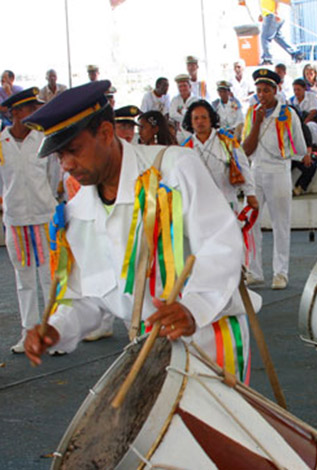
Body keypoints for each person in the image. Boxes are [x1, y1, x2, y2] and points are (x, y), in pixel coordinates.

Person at [23, 80, 258, 386]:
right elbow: (90, 296)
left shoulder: (173, 170)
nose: (67, 165)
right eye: (59, 157)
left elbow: (221, 244)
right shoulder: (78, 212)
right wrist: (57, 328)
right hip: (149, 347)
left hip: (209, 335)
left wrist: (192, 307)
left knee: (220, 431)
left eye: (74, 150)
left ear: (106, 133)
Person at [0, 88, 58, 353]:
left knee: (49, 276)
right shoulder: (2, 144)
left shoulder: (44, 140)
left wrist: (47, 203)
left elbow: (53, 178)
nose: (36, 113)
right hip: (16, 219)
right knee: (24, 280)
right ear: (15, 113)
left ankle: (54, 331)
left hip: (44, 217)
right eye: (30, 109)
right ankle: (29, 333)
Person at [242, 68, 305, 289]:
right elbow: (245, 150)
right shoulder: (251, 113)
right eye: (258, 90)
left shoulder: (288, 113)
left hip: (278, 169)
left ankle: (281, 272)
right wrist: (257, 122)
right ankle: (254, 270)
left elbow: (299, 146)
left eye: (266, 90)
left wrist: (285, 159)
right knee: (250, 223)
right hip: (255, 170)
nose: (262, 95)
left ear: (276, 90)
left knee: (280, 224)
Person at [182, 100, 257, 213]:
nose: (200, 122)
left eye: (204, 117)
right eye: (196, 118)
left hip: (227, 201)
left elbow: (243, 167)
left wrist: (250, 193)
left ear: (211, 119)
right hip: (199, 204)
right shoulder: (186, 148)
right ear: (191, 122)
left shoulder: (226, 141)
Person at [258, 0, 304, 65]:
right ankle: (296, 53)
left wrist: (276, 12)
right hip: (269, 14)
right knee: (278, 37)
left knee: (265, 37)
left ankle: (267, 58)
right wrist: (262, 14)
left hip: (272, 14)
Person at [290, 78, 317, 148]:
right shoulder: (292, 100)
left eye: (298, 89)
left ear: (304, 89)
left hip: (315, 124)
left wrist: (303, 125)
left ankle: (314, 147)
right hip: (299, 124)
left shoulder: (311, 96)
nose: (296, 92)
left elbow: (313, 112)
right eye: (294, 90)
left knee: (310, 126)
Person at [169, 74, 196, 143]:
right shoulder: (175, 100)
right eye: (180, 86)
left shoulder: (196, 100)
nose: (182, 88)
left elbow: (194, 116)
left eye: (184, 86)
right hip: (180, 132)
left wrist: (181, 113)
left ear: (190, 86)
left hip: (192, 131)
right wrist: (186, 115)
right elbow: (172, 114)